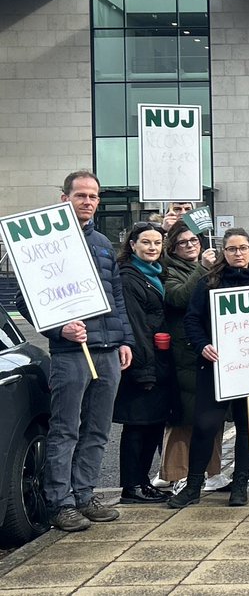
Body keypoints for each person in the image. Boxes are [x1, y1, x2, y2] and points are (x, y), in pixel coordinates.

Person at [20, 171, 133, 532]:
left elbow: (116, 296)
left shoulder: (102, 242)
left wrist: (124, 340)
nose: (88, 202)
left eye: (94, 196)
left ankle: (84, 495)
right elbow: (26, 299)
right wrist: (59, 329)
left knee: (97, 430)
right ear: (64, 197)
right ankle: (60, 502)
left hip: (107, 350)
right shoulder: (44, 242)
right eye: (81, 195)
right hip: (71, 354)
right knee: (66, 430)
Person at [169, 228, 249, 508]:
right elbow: (192, 320)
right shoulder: (209, 282)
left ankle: (240, 485)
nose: (238, 254)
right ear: (224, 252)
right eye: (232, 249)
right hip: (217, 369)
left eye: (243, 248)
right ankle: (194, 486)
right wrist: (202, 345)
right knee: (204, 426)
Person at [159, 222, 227, 494]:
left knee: (212, 416)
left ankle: (213, 471)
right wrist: (202, 267)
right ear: (173, 248)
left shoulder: (212, 266)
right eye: (182, 242)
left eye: (193, 240)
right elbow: (178, 297)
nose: (190, 245)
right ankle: (176, 474)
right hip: (185, 352)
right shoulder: (169, 270)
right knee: (184, 417)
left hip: (212, 349)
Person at [113, 223, 175, 505]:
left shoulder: (156, 274)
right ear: (133, 245)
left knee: (152, 425)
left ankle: (143, 481)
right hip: (141, 364)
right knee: (136, 427)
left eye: (157, 243)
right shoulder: (129, 277)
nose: (152, 248)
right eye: (146, 242)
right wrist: (144, 370)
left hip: (159, 362)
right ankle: (130, 486)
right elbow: (136, 326)